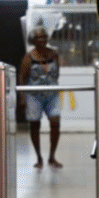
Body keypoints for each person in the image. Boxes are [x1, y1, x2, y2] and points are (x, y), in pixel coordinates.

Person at [19, 26, 63, 169]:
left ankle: (52, 156)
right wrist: (22, 97)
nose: (42, 39)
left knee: (55, 122)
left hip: (52, 94)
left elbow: (57, 72)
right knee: (34, 125)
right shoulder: (28, 57)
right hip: (34, 95)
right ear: (33, 40)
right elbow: (22, 77)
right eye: (38, 37)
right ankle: (39, 157)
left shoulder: (54, 54)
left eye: (44, 36)